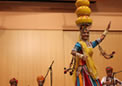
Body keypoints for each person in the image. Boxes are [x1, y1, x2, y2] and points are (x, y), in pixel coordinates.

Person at [71, 22, 111, 86]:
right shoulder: (79, 44)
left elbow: (100, 39)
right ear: (81, 34)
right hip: (83, 69)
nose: (86, 34)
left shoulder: (90, 44)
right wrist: (81, 56)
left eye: (87, 33)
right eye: (84, 33)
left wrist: (106, 30)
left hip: (91, 68)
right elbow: (73, 51)